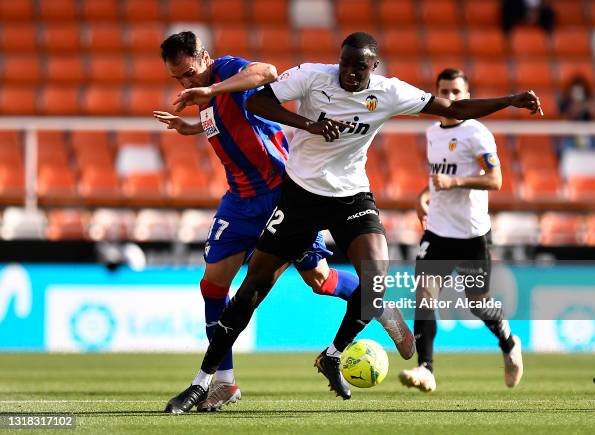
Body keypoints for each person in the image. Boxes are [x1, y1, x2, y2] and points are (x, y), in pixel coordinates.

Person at [164, 32, 542, 413]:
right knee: (250, 291)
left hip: (351, 197)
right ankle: (204, 381)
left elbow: (454, 110)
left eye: (358, 67)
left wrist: (510, 100)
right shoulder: (313, 76)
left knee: (375, 281)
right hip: (301, 197)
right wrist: (308, 125)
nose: (348, 73)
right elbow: (261, 101)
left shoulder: (389, 91)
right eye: (344, 65)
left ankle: (333, 354)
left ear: (373, 67)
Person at [153, 31, 414, 411]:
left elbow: (266, 72)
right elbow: (230, 125)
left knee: (320, 280)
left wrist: (209, 92)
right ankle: (223, 382)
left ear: (205, 57)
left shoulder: (227, 72)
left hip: (281, 192)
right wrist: (192, 125)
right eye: (178, 79)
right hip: (239, 201)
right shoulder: (204, 94)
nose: (186, 83)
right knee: (212, 287)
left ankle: (378, 304)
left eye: (190, 73)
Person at [398, 68, 523, 393]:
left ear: (467, 96)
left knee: (477, 302)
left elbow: (495, 180)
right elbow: (437, 176)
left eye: (457, 92)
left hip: (472, 233)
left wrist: (455, 182)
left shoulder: (477, 133)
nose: (451, 97)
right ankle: (425, 369)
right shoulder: (432, 132)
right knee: (424, 296)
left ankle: (509, 341)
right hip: (438, 230)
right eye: (445, 91)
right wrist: (424, 195)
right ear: (436, 92)